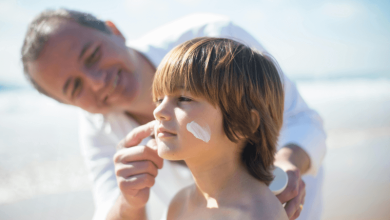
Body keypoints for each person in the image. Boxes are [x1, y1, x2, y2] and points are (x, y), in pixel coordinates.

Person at [21, 9, 326, 220]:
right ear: (67, 104)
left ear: (114, 31)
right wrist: (129, 202)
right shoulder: (179, 204)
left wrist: (285, 167)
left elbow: (301, 120)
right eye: (75, 87)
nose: (97, 81)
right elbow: (108, 210)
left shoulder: (220, 45)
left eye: (93, 55)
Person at [152, 37, 288, 220]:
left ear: (244, 123)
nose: (159, 111)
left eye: (184, 99)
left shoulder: (258, 214)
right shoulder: (179, 203)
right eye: (159, 99)